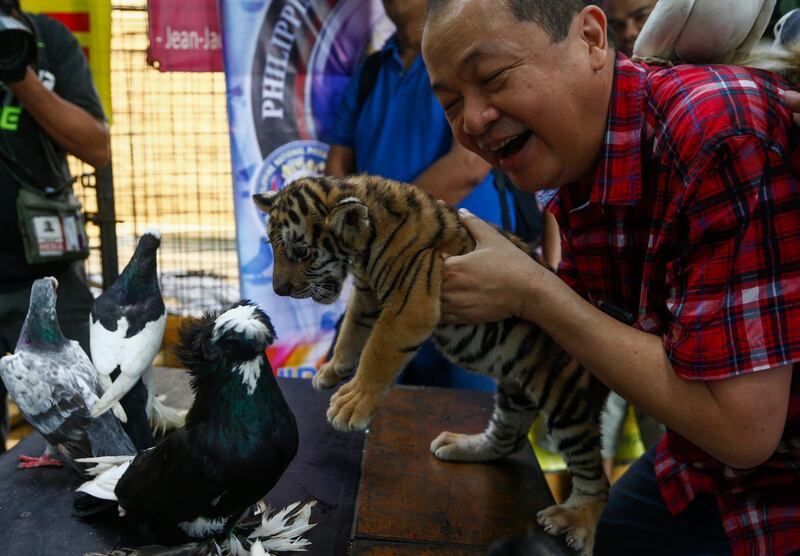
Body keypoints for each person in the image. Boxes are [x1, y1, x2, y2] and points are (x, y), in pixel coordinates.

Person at [422, 1, 799, 554]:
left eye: (494, 77)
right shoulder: (575, 155)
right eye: (451, 103)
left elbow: (743, 431)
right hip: (693, 464)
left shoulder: (716, 131)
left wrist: (532, 291)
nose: (473, 121)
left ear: (593, 38)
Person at [326, 0, 521, 391]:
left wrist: (374, 227)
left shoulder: (470, 60)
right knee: (354, 411)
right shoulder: (371, 71)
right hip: (385, 280)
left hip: (463, 276)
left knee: (470, 421)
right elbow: (336, 165)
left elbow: (468, 166)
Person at [0, 0, 110, 452]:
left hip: (45, 284)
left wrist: (20, 75)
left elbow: (96, 146)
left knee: (89, 429)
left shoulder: (46, 42)